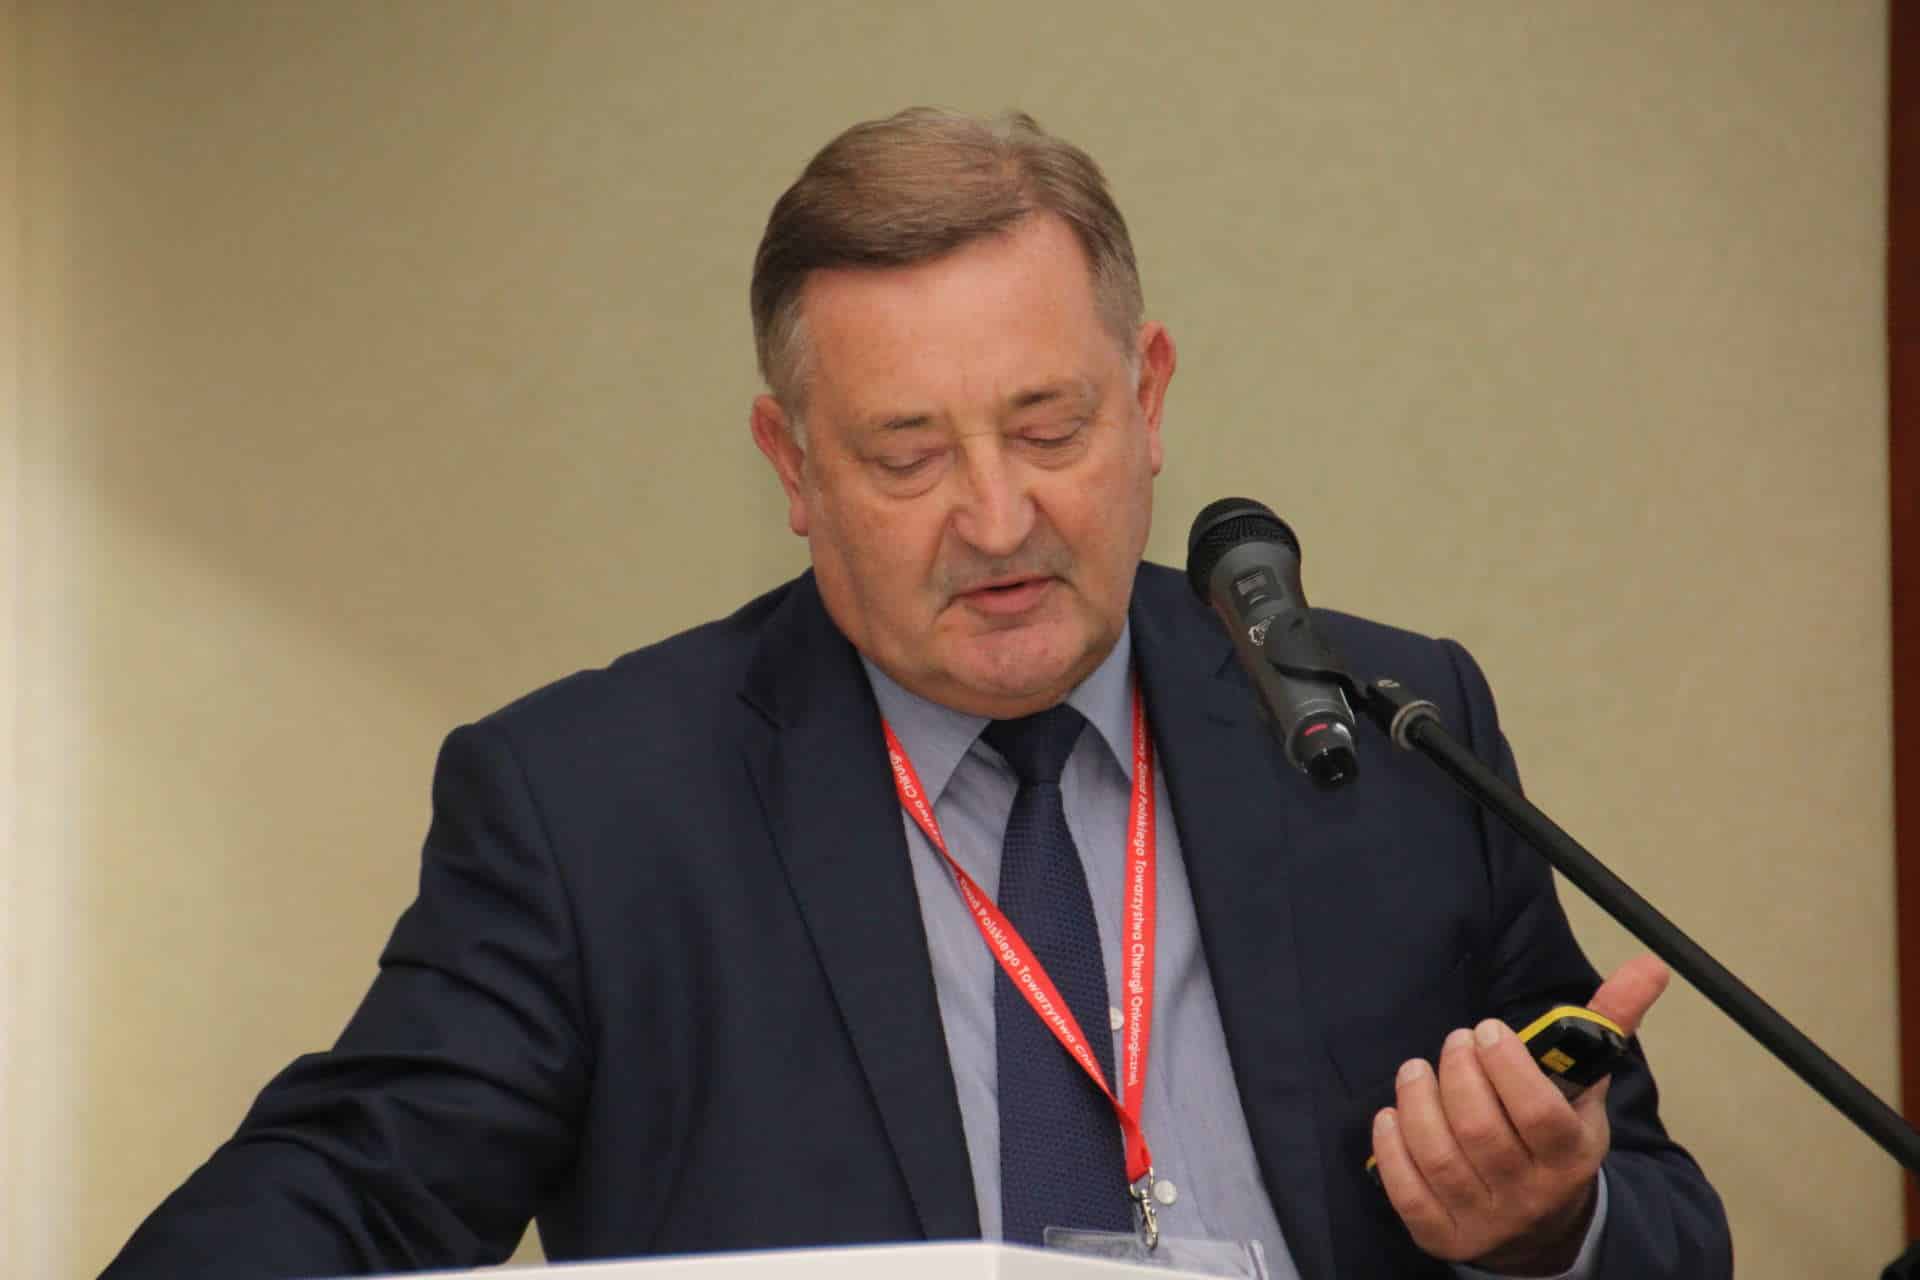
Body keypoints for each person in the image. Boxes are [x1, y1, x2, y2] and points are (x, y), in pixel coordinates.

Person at [103, 108, 1730, 1279]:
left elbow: (1656, 1214)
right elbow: (358, 1185)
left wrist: (1549, 1229)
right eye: (906, 455)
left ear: (1150, 398)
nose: (999, 519)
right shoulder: (595, 809)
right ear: (792, 466)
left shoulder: (1385, 730)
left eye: (1049, 428)